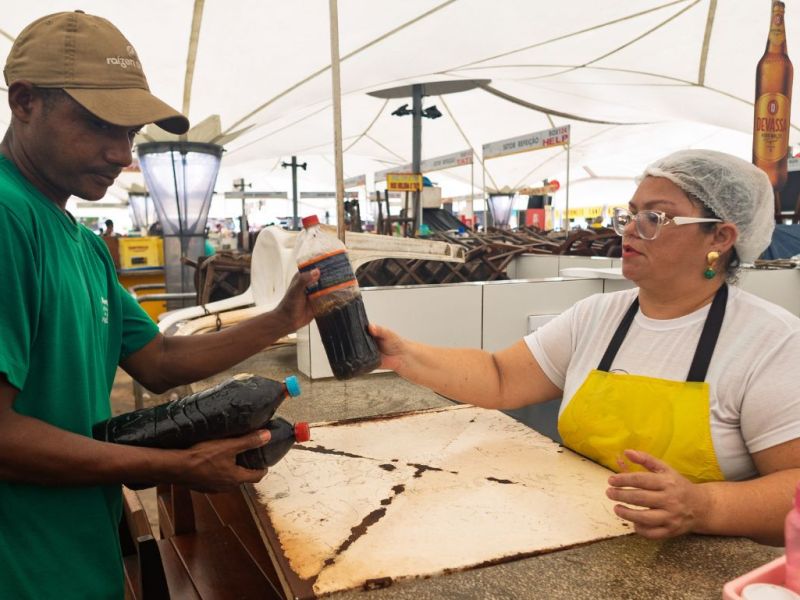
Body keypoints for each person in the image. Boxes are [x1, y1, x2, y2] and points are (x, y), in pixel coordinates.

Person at [0, 11, 319, 599]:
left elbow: (159, 358)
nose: (122, 154)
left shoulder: (83, 245)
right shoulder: (6, 219)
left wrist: (282, 318)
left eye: (130, 133)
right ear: (24, 102)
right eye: (100, 125)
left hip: (77, 552)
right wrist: (175, 467)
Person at [371, 149, 800, 546]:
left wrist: (703, 507)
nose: (630, 229)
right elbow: (500, 377)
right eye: (631, 214)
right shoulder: (596, 316)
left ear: (720, 238)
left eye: (655, 217)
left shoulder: (771, 342)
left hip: (696, 566)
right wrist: (403, 354)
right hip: (575, 538)